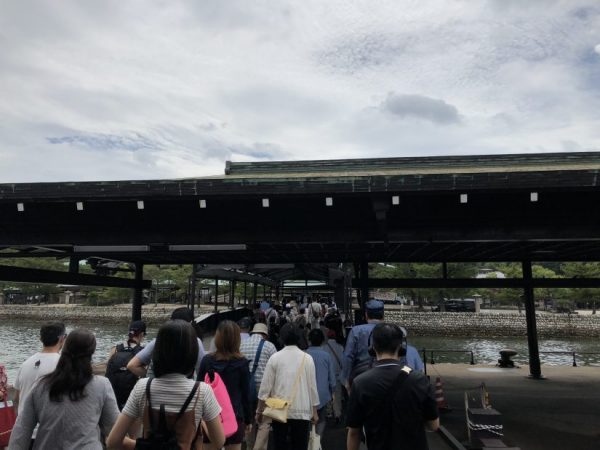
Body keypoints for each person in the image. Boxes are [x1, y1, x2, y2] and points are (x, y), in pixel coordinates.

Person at [107, 320, 225, 450]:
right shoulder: (202, 391)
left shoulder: (143, 387)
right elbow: (219, 442)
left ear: (158, 350)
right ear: (192, 352)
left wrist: (143, 446)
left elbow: (113, 442)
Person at [9, 329, 119, 450]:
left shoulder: (41, 385)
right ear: (92, 352)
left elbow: (22, 431)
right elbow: (114, 428)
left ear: (64, 346)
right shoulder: (101, 385)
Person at [346, 323, 439, 450]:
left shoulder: (360, 383)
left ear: (372, 348)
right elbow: (434, 425)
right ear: (401, 348)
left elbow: (353, 432)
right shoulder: (419, 379)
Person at [256, 323, 319, 450]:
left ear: (282, 337)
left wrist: (259, 410)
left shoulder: (275, 358)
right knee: (300, 446)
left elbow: (265, 387)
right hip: (302, 411)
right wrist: (315, 411)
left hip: (279, 411)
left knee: (280, 445)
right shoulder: (307, 359)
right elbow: (312, 387)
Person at [198, 320, 251, 450]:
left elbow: (198, 390)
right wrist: (248, 420)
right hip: (234, 417)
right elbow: (246, 395)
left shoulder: (207, 361)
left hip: (210, 418)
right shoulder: (242, 363)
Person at [12, 321, 66, 448]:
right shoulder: (64, 365)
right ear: (62, 339)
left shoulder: (25, 364)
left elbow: (16, 399)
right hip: (51, 435)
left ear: (40, 338)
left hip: (25, 434)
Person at [127, 307, 206, 378]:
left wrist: (151, 379)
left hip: (158, 386)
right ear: (190, 323)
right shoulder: (195, 342)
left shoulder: (158, 341)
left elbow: (132, 365)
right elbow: (202, 370)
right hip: (186, 387)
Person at [240, 322, 277, 450]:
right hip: (264, 388)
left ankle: (250, 446)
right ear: (265, 335)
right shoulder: (269, 346)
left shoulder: (241, 345)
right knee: (264, 421)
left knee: (248, 420)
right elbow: (275, 369)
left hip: (246, 387)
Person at [341, 300, 385, 389]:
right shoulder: (390, 330)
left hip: (360, 376)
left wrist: (345, 380)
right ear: (383, 315)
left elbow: (348, 356)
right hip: (384, 375)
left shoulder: (356, 331)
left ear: (366, 315)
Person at [105, 320, 146, 410]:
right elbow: (145, 374)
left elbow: (108, 367)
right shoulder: (142, 352)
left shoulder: (115, 349)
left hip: (113, 394)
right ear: (142, 334)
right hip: (130, 398)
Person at [305, 329, 335, 438]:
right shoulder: (326, 355)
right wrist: (332, 392)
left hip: (306, 393)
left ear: (309, 340)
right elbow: (332, 378)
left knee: (307, 420)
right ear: (322, 340)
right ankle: (317, 440)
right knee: (321, 419)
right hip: (322, 394)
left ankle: (309, 439)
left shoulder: (304, 354)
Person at [322, 329, 344, 420]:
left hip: (327, 374)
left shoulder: (323, 347)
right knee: (337, 394)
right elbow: (343, 361)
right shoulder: (340, 347)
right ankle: (337, 413)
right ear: (335, 336)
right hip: (337, 374)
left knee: (328, 393)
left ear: (327, 337)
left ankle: (329, 412)